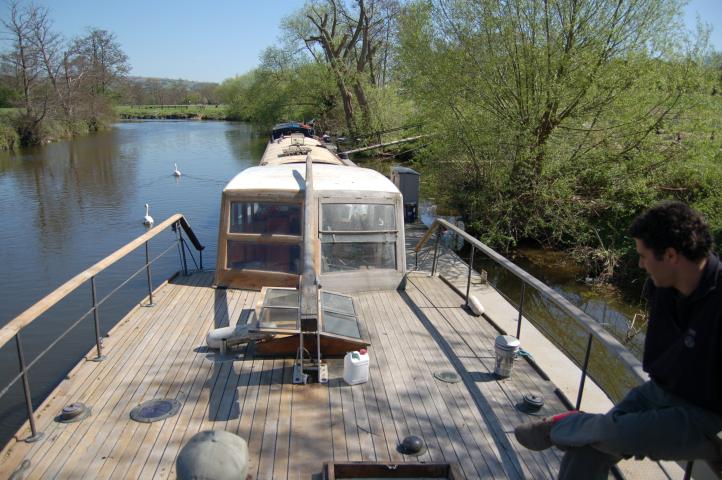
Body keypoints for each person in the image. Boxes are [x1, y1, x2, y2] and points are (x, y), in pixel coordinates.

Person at [514, 201, 722, 479]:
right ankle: (579, 427)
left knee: (612, 432)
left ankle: (564, 426)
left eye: (643, 256)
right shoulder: (662, 285)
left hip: (699, 412)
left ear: (671, 255)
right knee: (587, 450)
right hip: (656, 393)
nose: (639, 264)